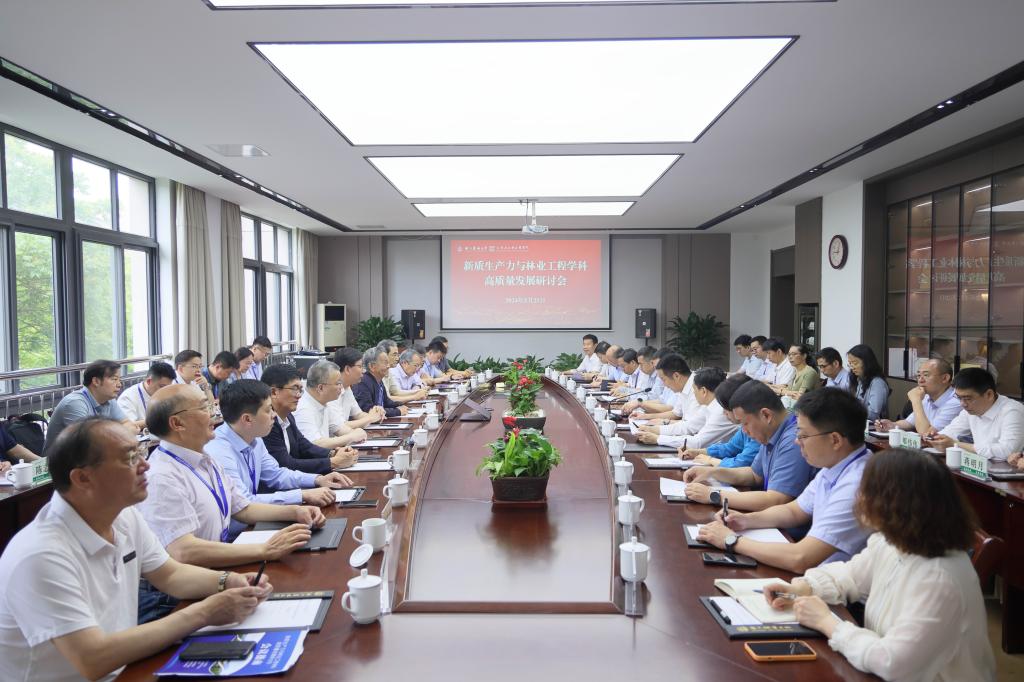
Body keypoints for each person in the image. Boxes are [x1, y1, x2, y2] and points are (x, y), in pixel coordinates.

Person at [0, 417, 272, 682]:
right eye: (130, 458)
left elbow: (170, 575)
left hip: (124, 668)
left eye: (141, 452)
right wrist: (203, 613)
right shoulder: (40, 555)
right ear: (83, 478)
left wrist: (227, 581)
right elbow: (91, 658)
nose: (145, 465)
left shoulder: (123, 516)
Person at [761, 448, 995, 681]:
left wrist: (827, 622)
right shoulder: (892, 542)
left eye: (869, 490)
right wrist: (802, 588)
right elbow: (850, 576)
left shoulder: (939, 579)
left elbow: (893, 662)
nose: (860, 498)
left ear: (898, 503)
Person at [697, 388, 872, 572]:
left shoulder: (857, 485)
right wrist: (745, 520)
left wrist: (731, 540)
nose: (797, 441)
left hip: (833, 583)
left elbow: (801, 558)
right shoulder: (835, 466)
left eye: (803, 435)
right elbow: (794, 511)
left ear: (835, 440)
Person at [205, 380, 353, 538]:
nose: (274, 415)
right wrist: (302, 495)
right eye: (268, 410)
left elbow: (276, 474)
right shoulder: (219, 452)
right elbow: (244, 503)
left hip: (254, 525)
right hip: (233, 537)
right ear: (247, 419)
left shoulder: (253, 438)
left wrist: (317, 479)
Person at [683, 381, 816, 516]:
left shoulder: (793, 440)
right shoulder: (772, 433)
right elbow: (754, 475)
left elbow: (776, 499)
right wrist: (712, 472)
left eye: (745, 423)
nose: (744, 431)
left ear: (766, 415)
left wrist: (713, 495)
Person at [261, 364, 359, 474]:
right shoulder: (267, 422)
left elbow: (304, 446)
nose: (299, 395)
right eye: (294, 389)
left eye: (300, 389)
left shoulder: (288, 415)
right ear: (274, 392)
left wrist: (333, 453)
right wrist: (333, 462)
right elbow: (285, 464)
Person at [928, 367, 1024, 461]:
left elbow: (1007, 451)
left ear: (989, 394)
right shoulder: (969, 410)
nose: (962, 404)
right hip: (981, 465)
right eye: (959, 398)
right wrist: (933, 438)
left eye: (968, 398)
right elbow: (952, 431)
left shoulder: (1012, 411)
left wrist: (956, 444)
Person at [43, 360, 138, 453]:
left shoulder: (108, 399)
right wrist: (121, 433)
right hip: (63, 460)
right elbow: (88, 442)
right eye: (114, 379)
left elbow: (129, 425)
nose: (119, 385)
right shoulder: (75, 403)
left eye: (119, 380)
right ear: (96, 381)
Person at [640, 367, 736, 448]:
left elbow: (697, 442)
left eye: (694, 390)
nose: (693, 393)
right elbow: (688, 426)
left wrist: (658, 439)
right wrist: (654, 430)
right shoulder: (710, 405)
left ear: (703, 391)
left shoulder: (721, 411)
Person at [679, 375, 759, 468]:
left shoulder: (757, 429)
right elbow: (729, 448)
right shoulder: (744, 427)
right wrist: (697, 452)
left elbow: (741, 463)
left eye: (726, 408)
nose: (724, 413)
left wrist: (710, 460)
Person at [293, 360, 368, 448]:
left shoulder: (324, 402)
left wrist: (355, 433)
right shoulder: (303, 408)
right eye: (338, 383)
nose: (341, 387)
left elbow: (339, 428)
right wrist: (351, 437)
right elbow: (315, 444)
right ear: (321, 388)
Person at [876, 358, 960, 434]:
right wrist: (892, 425)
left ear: (945, 378)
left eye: (926, 375)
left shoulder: (956, 402)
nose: (920, 380)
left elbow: (927, 434)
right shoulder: (927, 396)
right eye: (919, 375)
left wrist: (916, 400)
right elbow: (909, 422)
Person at [635, 353, 705, 435]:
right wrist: (645, 417)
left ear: (676, 376)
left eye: (663, 379)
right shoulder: (684, 386)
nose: (664, 385)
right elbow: (675, 413)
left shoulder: (697, 388)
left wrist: (663, 424)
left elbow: (690, 427)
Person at [329, 347, 388, 430]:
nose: (363, 371)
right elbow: (340, 426)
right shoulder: (331, 390)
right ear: (347, 369)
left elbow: (358, 414)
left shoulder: (347, 388)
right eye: (360, 366)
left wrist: (377, 415)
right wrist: (370, 418)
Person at [354, 347, 408, 418]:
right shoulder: (363, 382)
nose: (388, 366)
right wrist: (397, 411)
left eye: (388, 363)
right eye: (385, 363)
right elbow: (369, 410)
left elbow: (386, 402)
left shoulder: (379, 379)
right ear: (372, 366)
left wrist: (400, 405)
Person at [847, 344, 890, 421]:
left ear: (867, 362)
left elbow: (873, 414)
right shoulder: (859, 380)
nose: (852, 367)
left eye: (855, 363)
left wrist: (850, 409)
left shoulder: (877, 383)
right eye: (850, 363)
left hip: (873, 426)